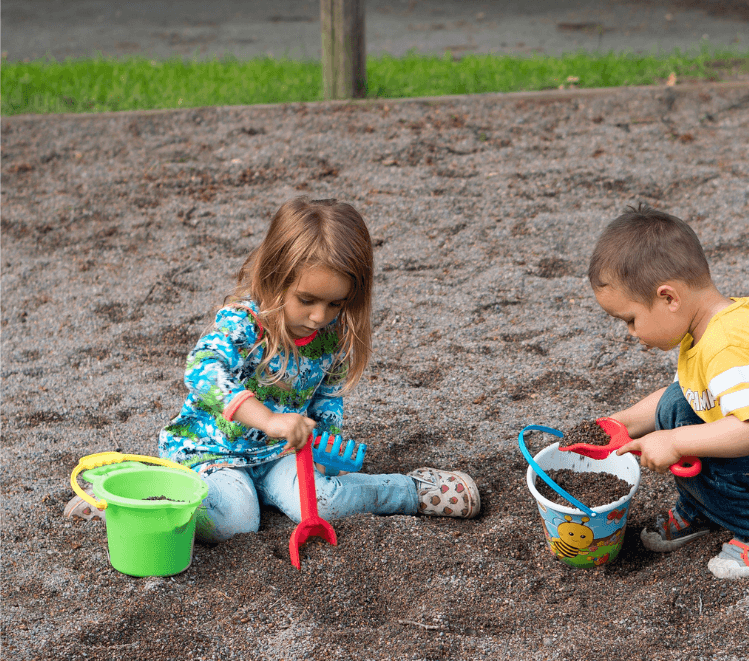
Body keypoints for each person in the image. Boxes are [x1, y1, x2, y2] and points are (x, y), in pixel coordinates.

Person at [65, 197, 479, 541]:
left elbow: (326, 397)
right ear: (273, 278)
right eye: (307, 299)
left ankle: (412, 492)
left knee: (323, 504)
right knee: (235, 521)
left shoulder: (332, 335)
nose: (320, 316)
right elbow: (201, 369)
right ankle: (132, 501)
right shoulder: (244, 323)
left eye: (336, 303)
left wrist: (320, 444)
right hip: (214, 453)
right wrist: (267, 419)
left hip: (279, 453)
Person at [588, 204, 749, 579]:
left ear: (668, 298)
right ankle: (705, 509)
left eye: (630, 319)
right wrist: (618, 424)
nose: (630, 332)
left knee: (692, 438)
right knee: (679, 406)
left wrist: (675, 441)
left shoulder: (728, 346)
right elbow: (679, 397)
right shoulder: (710, 327)